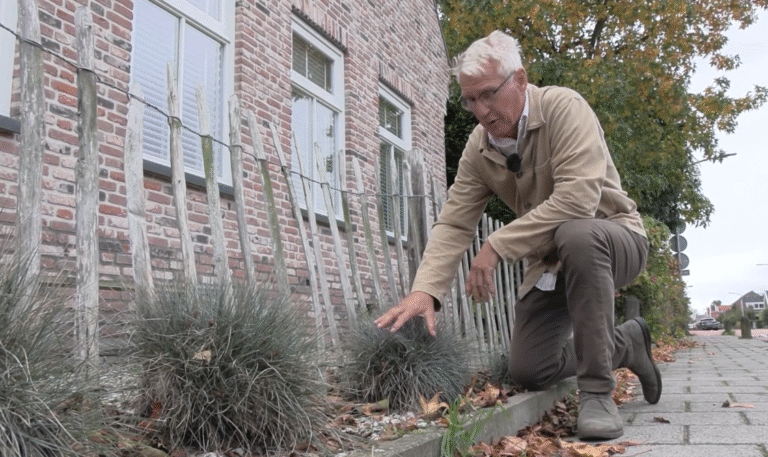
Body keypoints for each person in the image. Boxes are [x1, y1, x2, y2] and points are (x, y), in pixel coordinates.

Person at [375, 30, 661, 440]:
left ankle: (597, 394)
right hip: (549, 263)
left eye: (489, 94)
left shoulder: (564, 108)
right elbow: (455, 222)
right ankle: (627, 343)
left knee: (577, 235)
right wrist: (426, 290)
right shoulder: (479, 148)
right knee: (530, 369)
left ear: (521, 80)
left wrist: (496, 245)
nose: (481, 110)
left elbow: (579, 198)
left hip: (612, 240)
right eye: (470, 99)